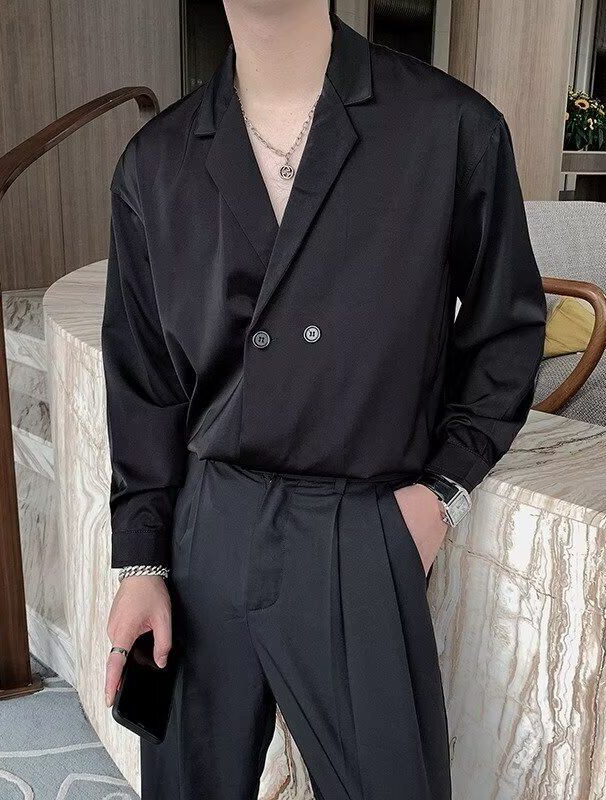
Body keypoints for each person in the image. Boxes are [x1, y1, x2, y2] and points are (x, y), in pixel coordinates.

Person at [101, 1, 547, 798]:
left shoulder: (449, 128)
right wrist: (142, 560)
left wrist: (442, 492)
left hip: (361, 523)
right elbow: (145, 383)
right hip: (210, 527)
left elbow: (504, 332)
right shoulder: (155, 161)